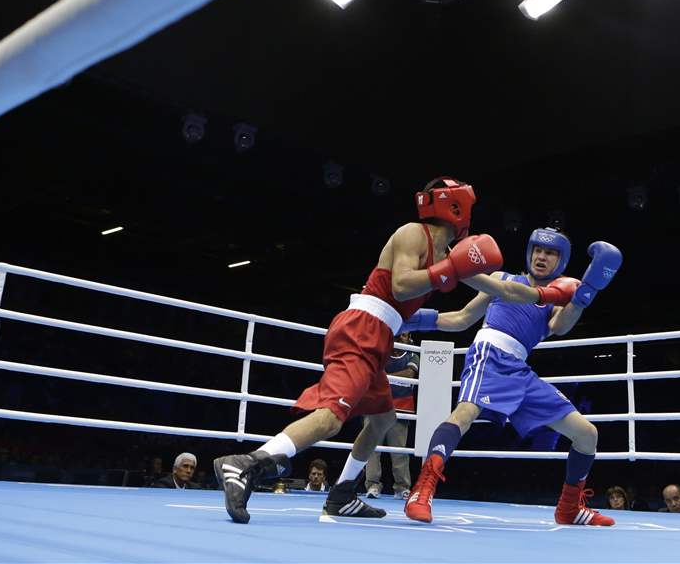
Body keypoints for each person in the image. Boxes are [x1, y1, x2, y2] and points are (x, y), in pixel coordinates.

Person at [214, 177, 550, 524]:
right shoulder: (412, 234)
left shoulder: (449, 257)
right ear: (457, 209)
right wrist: (448, 271)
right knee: (331, 417)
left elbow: (471, 312)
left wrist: (548, 295)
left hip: (382, 333)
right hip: (362, 328)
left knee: (382, 420)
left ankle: (342, 494)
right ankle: (246, 463)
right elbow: (401, 286)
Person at [403, 229, 622, 527]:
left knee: (587, 434)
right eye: (538, 250)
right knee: (465, 413)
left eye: (550, 253)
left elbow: (560, 326)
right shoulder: (503, 278)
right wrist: (419, 319)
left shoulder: (559, 294)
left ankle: (569, 509)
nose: (541, 257)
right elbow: (463, 318)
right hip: (489, 354)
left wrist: (583, 298)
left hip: (520, 370)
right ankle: (421, 492)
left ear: (561, 260)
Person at [364, 331, 419, 499]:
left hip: (401, 408)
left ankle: (402, 487)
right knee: (371, 448)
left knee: (399, 450)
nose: (400, 338)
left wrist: (383, 377)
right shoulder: (381, 351)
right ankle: (372, 485)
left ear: (409, 338)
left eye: (403, 336)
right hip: (376, 405)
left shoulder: (413, 355)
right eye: (398, 335)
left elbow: (409, 375)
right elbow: (372, 373)